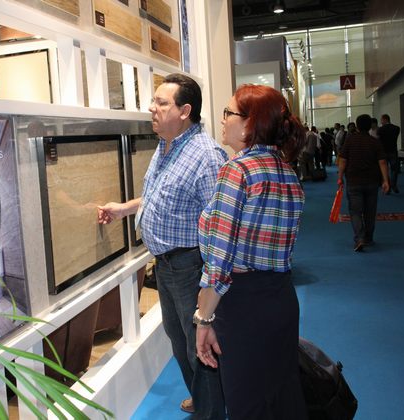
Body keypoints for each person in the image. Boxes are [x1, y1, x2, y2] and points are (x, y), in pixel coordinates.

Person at [97, 74, 227, 418]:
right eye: (153, 101)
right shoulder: (166, 146)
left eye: (161, 103)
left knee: (198, 345)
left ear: (185, 111)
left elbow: (219, 227)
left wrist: (209, 283)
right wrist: (124, 209)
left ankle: (212, 411)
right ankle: (202, 398)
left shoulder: (206, 156)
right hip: (166, 266)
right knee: (179, 340)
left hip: (191, 266)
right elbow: (160, 198)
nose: (151, 108)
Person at [195, 84, 307, 419]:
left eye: (228, 112)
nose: (222, 119)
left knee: (248, 405)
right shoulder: (287, 171)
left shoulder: (237, 171)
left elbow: (220, 261)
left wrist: (204, 319)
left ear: (250, 123)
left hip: (243, 305)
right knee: (282, 399)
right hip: (281, 297)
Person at [337, 114, 390, 251]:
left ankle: (359, 238)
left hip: (354, 181)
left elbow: (343, 160)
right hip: (372, 181)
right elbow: (382, 162)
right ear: (370, 126)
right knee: (370, 212)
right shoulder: (375, 142)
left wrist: (340, 176)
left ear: (357, 126)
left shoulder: (350, 140)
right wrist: (385, 180)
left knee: (355, 211)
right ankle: (369, 238)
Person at [377, 114, 401, 193]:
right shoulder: (396, 128)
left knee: (385, 170)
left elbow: (379, 140)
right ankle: (394, 184)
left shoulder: (380, 129)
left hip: (383, 152)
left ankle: (388, 186)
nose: (381, 122)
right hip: (393, 151)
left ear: (384, 119)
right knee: (394, 169)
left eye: (381, 120)